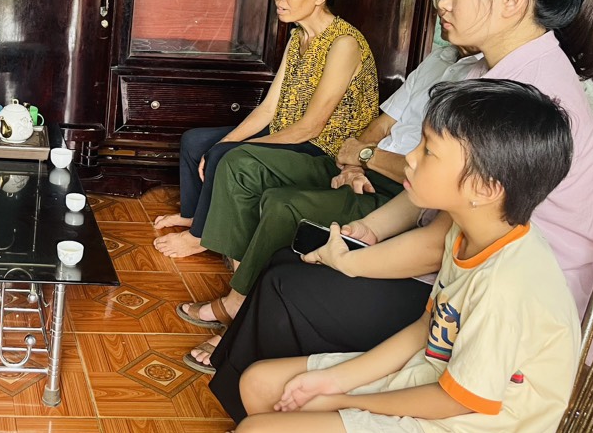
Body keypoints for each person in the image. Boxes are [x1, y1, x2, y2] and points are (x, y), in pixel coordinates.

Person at [207, 0, 593, 422]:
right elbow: (430, 188)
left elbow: (438, 240)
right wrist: (368, 230)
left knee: (290, 286)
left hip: (507, 317)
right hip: (460, 279)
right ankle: (264, 418)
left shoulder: (522, 101)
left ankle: (272, 428)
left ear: (511, 2)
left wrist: (349, 261)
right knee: (285, 261)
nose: (443, 1)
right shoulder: (492, 72)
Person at [196, 79, 579, 433]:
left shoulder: (508, 285)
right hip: (433, 379)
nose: (410, 157)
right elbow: (426, 328)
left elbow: (456, 401)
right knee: (258, 384)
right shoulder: (468, 232)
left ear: (484, 187)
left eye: (429, 151)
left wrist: (346, 399)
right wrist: (333, 382)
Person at [179, 38, 485, 372]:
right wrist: (355, 163)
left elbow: (431, 173)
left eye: (452, 4)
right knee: (239, 163)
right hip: (358, 163)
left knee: (282, 205)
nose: (443, 10)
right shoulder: (440, 57)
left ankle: (239, 307)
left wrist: (364, 156)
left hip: (393, 183)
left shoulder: (485, 79)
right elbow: (382, 124)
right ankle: (240, 289)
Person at [153, 0, 380, 258]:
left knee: (223, 154)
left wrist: (233, 148)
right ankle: (195, 215)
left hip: (322, 150)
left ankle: (200, 237)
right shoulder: (298, 37)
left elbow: (311, 127)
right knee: (196, 142)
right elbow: (269, 108)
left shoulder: (344, 43)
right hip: (290, 134)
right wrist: (226, 141)